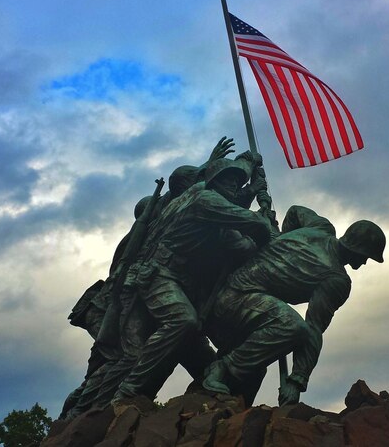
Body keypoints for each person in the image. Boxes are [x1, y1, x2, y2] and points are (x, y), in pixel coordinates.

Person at [112, 157, 272, 403]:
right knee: (182, 320)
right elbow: (250, 222)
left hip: (182, 284)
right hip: (159, 274)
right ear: (213, 181)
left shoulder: (209, 207)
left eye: (237, 182)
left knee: (205, 358)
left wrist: (251, 171)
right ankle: (129, 390)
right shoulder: (204, 200)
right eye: (228, 180)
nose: (234, 186)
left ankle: (216, 399)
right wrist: (265, 223)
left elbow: (242, 245)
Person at [202, 206, 385, 406]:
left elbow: (294, 212)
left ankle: (231, 404)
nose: (366, 262)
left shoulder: (321, 227)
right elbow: (313, 329)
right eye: (367, 256)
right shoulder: (336, 280)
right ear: (357, 250)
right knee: (293, 327)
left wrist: (282, 239)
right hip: (234, 301)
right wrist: (297, 380)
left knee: (256, 368)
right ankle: (222, 369)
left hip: (236, 295)